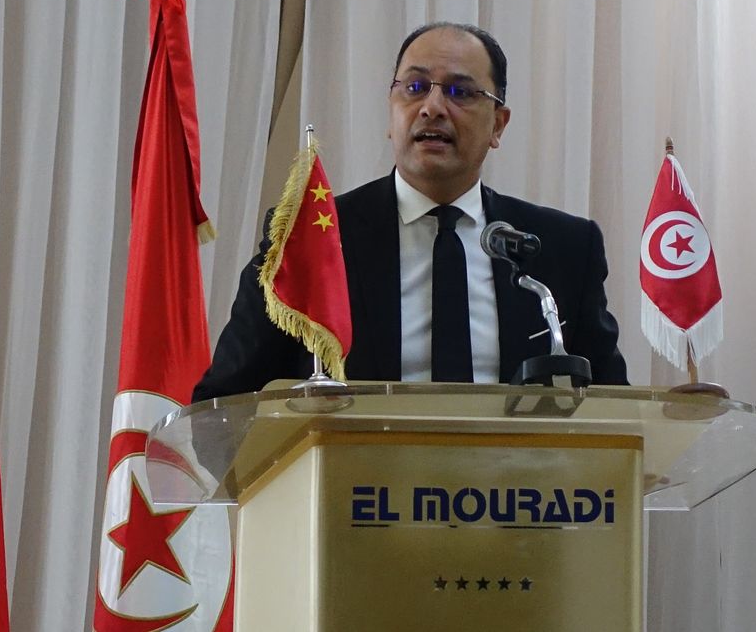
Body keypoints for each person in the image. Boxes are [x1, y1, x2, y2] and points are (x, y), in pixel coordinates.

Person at [192, 22, 627, 402]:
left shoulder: (564, 248)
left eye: (460, 92)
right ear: (391, 112)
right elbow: (226, 402)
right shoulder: (312, 239)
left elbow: (615, 407)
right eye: (415, 88)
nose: (432, 108)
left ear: (498, 124)